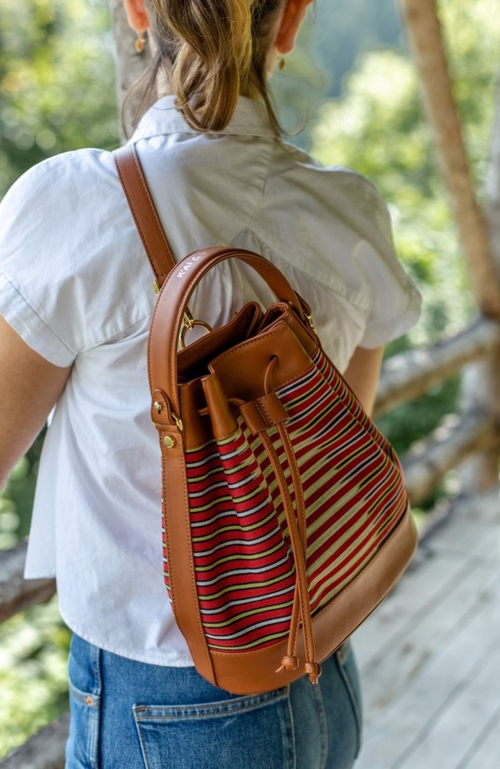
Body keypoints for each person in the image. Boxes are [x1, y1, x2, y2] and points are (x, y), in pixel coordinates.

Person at [0, 0, 422, 766]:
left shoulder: (74, 206)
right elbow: (336, 435)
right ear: (289, 21)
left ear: (137, 12)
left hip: (167, 701)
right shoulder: (350, 208)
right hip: (323, 662)